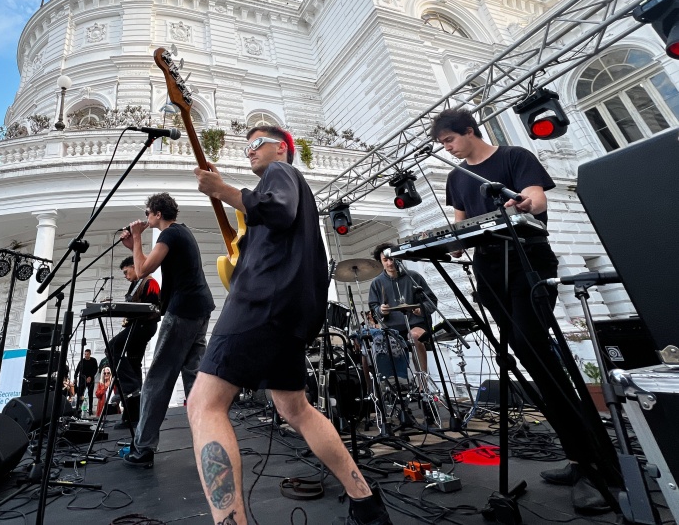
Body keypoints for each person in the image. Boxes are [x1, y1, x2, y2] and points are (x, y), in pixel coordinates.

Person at [188, 126, 392, 525]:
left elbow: (277, 210)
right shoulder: (284, 194)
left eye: (255, 144)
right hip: (289, 313)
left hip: (261, 304)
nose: (249, 151)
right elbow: (264, 236)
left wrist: (223, 190)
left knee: (203, 404)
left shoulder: (281, 173)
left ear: (281, 148)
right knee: (294, 407)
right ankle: (366, 504)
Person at [431, 108, 621, 513]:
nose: (446, 148)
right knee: (527, 355)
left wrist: (519, 204)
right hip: (490, 271)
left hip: (527, 262)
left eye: (449, 140)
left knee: (530, 345)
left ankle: (595, 465)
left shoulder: (514, 157)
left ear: (468, 131)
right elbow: (460, 227)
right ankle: (579, 456)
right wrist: (439, 243)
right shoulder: (456, 177)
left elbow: (536, 199)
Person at [120, 192, 215, 467]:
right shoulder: (180, 233)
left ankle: (142, 450)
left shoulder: (168, 235)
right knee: (195, 380)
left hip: (183, 312)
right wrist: (133, 246)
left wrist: (137, 237)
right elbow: (146, 263)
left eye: (148, 213)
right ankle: (210, 442)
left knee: (157, 380)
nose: (146, 218)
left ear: (158, 214)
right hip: (199, 309)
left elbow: (140, 271)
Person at [367, 243, 438, 385]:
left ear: (398, 258)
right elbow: (373, 310)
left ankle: (422, 383)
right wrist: (381, 311)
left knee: (414, 336)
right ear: (381, 262)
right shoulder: (376, 283)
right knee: (370, 345)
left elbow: (432, 302)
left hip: (417, 323)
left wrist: (421, 309)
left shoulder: (414, 277)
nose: (389, 262)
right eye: (385, 260)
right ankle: (389, 388)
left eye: (392, 258)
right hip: (392, 328)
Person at [109, 255, 161, 429]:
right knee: (132, 363)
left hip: (143, 325)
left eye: (126, 272)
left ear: (134, 266)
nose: (125, 276)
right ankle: (133, 417)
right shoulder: (136, 284)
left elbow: (153, 307)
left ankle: (128, 386)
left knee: (113, 346)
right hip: (137, 325)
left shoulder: (149, 281)